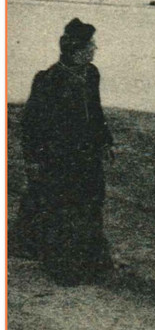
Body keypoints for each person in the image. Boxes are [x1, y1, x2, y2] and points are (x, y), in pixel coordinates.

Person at [18, 19, 115, 284]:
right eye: (90, 45)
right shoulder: (50, 79)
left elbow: (95, 111)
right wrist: (34, 159)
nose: (95, 49)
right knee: (64, 208)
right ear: (76, 50)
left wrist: (105, 139)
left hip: (88, 155)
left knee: (92, 203)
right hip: (60, 157)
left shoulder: (91, 73)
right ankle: (63, 266)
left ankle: (93, 262)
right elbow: (31, 123)